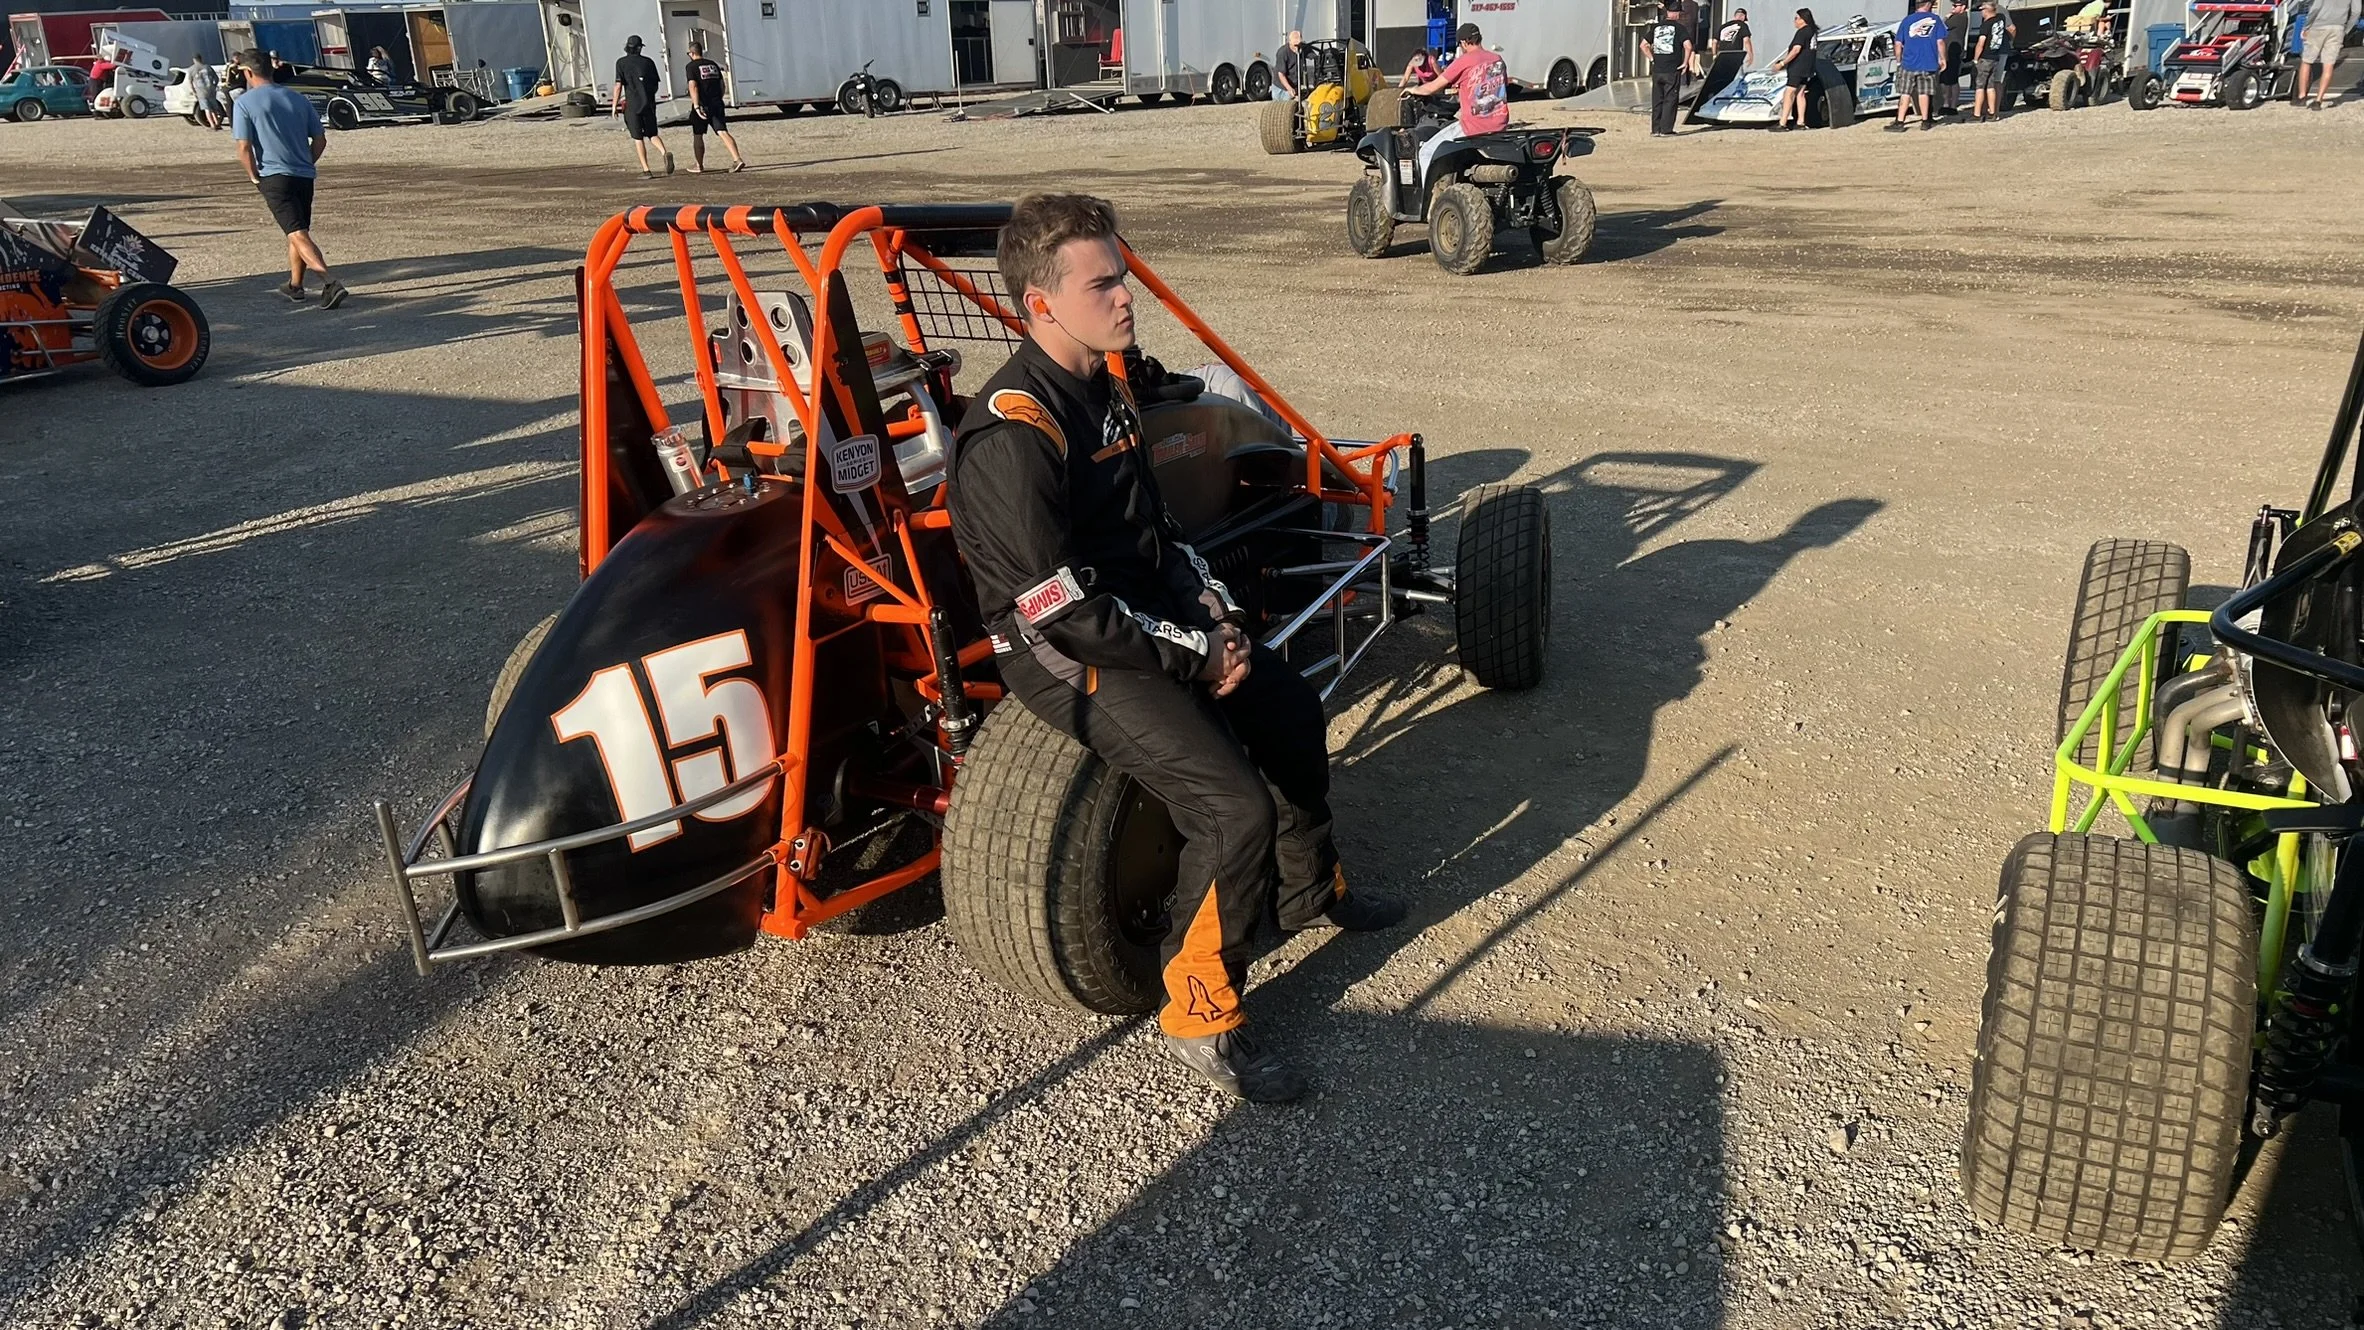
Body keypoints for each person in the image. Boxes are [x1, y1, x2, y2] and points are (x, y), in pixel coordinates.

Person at [946, 194, 1404, 1104]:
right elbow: (1062, 608)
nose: (1126, 296)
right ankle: (1196, 1005)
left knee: (1288, 708)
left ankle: (1311, 890)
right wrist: (1197, 656)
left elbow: (1157, 534)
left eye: (1123, 275)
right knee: (1230, 808)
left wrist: (1216, 615)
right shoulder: (1013, 431)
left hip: (1146, 618)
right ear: (1040, 305)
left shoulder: (1111, 386)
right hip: (1063, 653)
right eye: (1103, 282)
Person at [229, 49, 346, 308]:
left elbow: (244, 147)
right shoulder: (297, 98)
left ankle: (329, 281)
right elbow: (320, 139)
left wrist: (253, 176)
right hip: (303, 174)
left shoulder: (245, 103)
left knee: (296, 231)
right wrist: (307, 161)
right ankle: (296, 285)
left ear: (248, 73)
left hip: (273, 175)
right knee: (297, 231)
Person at [1400, 24, 1510, 175]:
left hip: (1473, 127)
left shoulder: (1464, 61)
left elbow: (1432, 88)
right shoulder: (1497, 60)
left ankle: (1426, 197)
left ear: (1464, 42)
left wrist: (1412, 89)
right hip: (1499, 124)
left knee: (1425, 152)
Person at [610, 34, 671, 177]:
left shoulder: (621, 63)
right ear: (639, 48)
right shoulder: (648, 62)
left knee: (638, 138)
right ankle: (664, 152)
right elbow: (655, 84)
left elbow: (618, 85)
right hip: (648, 103)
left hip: (633, 104)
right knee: (652, 134)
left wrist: (614, 105)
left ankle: (646, 169)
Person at [681, 41, 746, 172]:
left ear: (692, 53)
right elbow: (722, 85)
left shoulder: (691, 66)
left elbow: (692, 86)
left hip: (702, 105)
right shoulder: (713, 64)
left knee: (698, 134)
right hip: (716, 102)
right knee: (722, 131)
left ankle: (699, 165)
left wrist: (696, 105)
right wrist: (719, 98)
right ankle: (737, 158)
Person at [1890, 0, 1947, 130]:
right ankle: (1925, 121)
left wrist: (1899, 61)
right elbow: (1940, 42)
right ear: (1927, 4)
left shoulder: (1907, 20)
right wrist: (1943, 58)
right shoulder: (1936, 19)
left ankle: (1900, 122)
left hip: (1908, 63)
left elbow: (1898, 44)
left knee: (1905, 93)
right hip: (1928, 62)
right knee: (1924, 93)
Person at [1640, 4, 1693, 136]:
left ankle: (1655, 129)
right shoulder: (1680, 28)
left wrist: (1652, 59)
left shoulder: (1656, 27)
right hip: (1672, 69)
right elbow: (1688, 46)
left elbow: (1643, 45)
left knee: (1657, 100)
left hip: (1657, 69)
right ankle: (1666, 130)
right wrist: (1685, 62)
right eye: (1679, 13)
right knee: (1670, 99)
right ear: (1675, 14)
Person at [2296, 0, 2357, 108]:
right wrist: (2346, 30)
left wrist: (2306, 26)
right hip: (2338, 28)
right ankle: (2318, 100)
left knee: (2307, 61)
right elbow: (2356, 12)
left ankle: (2302, 97)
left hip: (2318, 26)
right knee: (2328, 65)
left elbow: (2316, 8)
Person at [1773, 7, 1819, 129]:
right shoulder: (1812, 32)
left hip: (1798, 67)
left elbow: (1796, 50)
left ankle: (1782, 123)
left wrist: (1782, 63)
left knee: (1789, 92)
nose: (1794, 21)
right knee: (1800, 93)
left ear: (1803, 19)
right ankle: (1801, 122)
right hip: (1808, 67)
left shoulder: (1803, 32)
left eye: (1796, 18)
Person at [1970, 0, 2012, 121]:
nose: (1981, 12)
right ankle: (1992, 113)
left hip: (1985, 57)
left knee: (1980, 86)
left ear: (1986, 10)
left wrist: (1975, 59)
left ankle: (1977, 114)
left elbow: (1980, 43)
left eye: (1982, 10)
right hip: (1995, 57)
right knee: (1991, 86)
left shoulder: (1986, 25)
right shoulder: (2000, 18)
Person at [1942, 0, 1969, 111]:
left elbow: (1942, 26)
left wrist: (1946, 16)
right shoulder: (1959, 17)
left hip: (1954, 52)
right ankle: (1947, 103)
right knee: (1948, 79)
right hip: (1950, 51)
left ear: (1963, 7)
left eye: (1955, 5)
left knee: (1952, 80)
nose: (1952, 8)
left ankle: (1950, 104)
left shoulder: (1959, 18)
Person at [186, 54, 222, 130]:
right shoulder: (207, 67)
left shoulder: (191, 69)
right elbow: (216, 78)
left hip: (201, 92)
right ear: (201, 59)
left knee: (207, 109)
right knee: (214, 108)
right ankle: (217, 123)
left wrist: (194, 91)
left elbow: (190, 82)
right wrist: (214, 86)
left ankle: (212, 125)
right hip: (211, 90)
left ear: (194, 60)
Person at [1272, 28, 1304, 98]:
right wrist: (1289, 89)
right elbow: (1281, 74)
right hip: (1280, 87)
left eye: (1299, 44)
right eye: (1295, 45)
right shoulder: (1282, 52)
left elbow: (1314, 55)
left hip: (1294, 85)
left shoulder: (1302, 49)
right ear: (1289, 42)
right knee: (1280, 107)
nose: (1297, 47)